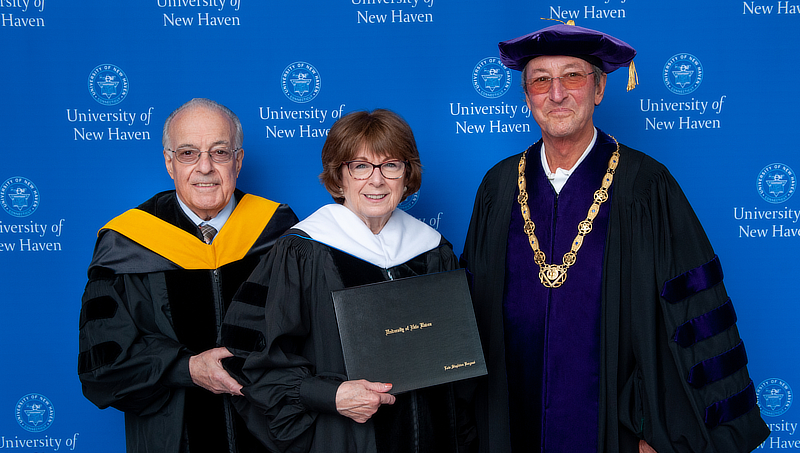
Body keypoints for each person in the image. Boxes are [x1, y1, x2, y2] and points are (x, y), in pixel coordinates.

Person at [460, 22, 770, 453]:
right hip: (511, 422)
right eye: (540, 81)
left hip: (616, 429)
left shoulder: (646, 187)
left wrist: (658, 431)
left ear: (599, 88)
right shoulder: (498, 188)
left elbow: (693, 314)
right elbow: (468, 319)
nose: (556, 94)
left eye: (572, 76)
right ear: (526, 94)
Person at [218, 109, 466, 453]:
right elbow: (257, 362)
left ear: (407, 175)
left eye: (390, 165)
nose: (376, 180)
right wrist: (330, 395)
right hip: (343, 439)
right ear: (339, 178)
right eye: (360, 166)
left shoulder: (434, 251)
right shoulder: (302, 253)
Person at [77, 98, 298, 453]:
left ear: (238, 161)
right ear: (169, 162)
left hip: (273, 434)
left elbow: (308, 341)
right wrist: (187, 368)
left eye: (220, 152)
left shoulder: (279, 231)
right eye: (188, 153)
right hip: (172, 438)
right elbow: (102, 368)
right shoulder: (126, 242)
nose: (205, 167)